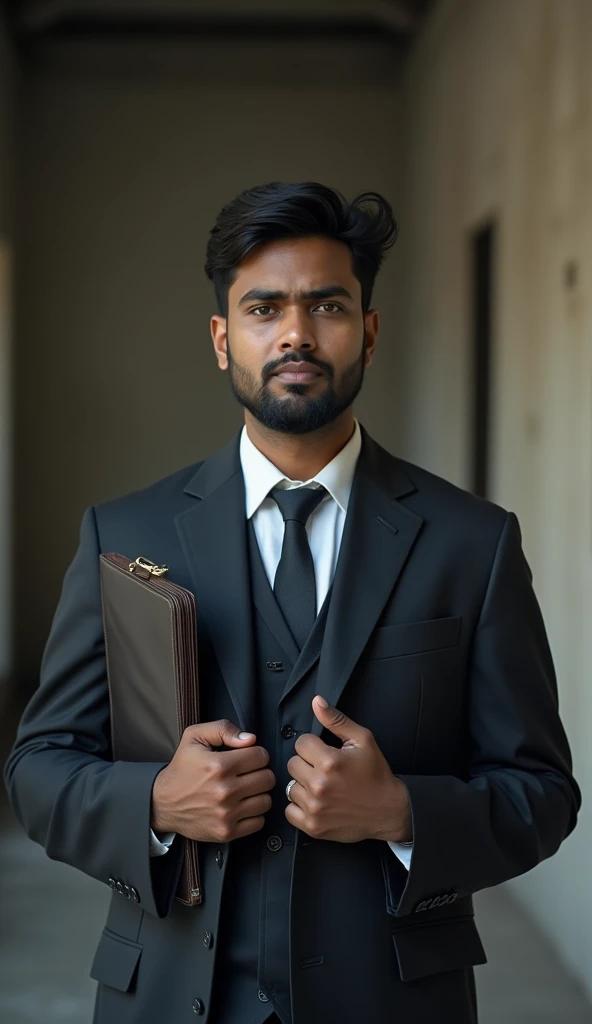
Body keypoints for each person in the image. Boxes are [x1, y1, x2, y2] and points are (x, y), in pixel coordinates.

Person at [4, 181, 580, 1024]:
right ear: (221, 338)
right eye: (264, 308)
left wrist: (403, 813)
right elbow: (38, 767)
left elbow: (542, 793)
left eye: (328, 306)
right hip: (168, 998)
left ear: (370, 333)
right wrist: (157, 803)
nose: (296, 334)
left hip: (392, 1002)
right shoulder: (122, 534)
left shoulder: (473, 544)